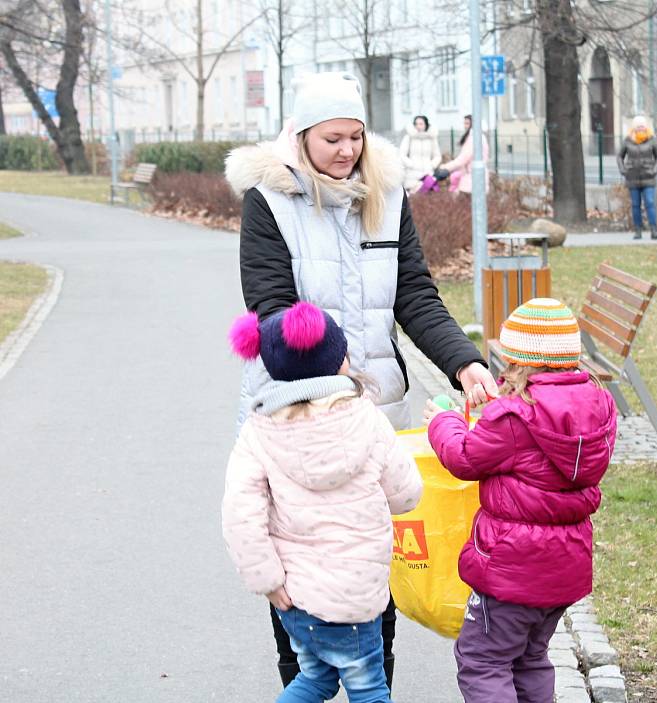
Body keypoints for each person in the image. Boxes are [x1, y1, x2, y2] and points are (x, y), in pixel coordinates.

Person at [225, 71, 497, 690]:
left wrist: (464, 361)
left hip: (375, 418)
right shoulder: (268, 201)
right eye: (332, 140)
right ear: (300, 138)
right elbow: (270, 304)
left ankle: (379, 683)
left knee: (374, 564)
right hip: (292, 418)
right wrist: (327, 365)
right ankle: (300, 677)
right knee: (298, 569)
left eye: (356, 137)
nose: (348, 152)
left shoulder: (387, 194)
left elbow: (416, 296)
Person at [223, 301, 423, 703]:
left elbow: (240, 515)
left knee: (316, 680)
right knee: (369, 690)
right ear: (337, 361)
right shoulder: (367, 420)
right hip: (356, 596)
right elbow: (406, 494)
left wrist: (269, 581)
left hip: (294, 597)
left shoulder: (258, 432)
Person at [423, 298, 617, 703]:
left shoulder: (512, 417)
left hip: (512, 572)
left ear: (519, 362)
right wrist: (496, 408)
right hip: (564, 570)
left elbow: (463, 457)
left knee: (483, 660)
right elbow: (539, 440)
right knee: (531, 657)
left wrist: (445, 421)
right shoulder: (599, 407)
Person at [616, 115, 657, 240]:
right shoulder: (628, 140)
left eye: (642, 125)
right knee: (636, 204)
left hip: (649, 177)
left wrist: (655, 170)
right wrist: (623, 169)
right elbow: (620, 156)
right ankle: (638, 230)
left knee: (650, 202)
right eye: (638, 126)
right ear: (634, 128)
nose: (640, 128)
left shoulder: (652, 140)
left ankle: (654, 229)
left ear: (646, 127)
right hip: (632, 177)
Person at [435, 114, 490, 194]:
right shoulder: (479, 137)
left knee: (466, 204)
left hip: (471, 179)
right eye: (464, 123)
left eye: (467, 123)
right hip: (474, 177)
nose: (465, 126)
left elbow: (462, 159)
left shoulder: (474, 138)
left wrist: (445, 167)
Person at [398, 114, 442, 193]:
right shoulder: (409, 137)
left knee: (428, 198)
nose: (418, 126)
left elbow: (437, 156)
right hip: (412, 174)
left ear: (426, 125)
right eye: (416, 124)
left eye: (421, 124)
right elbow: (401, 154)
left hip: (428, 173)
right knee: (413, 198)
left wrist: (432, 165)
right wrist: (411, 164)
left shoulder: (432, 138)